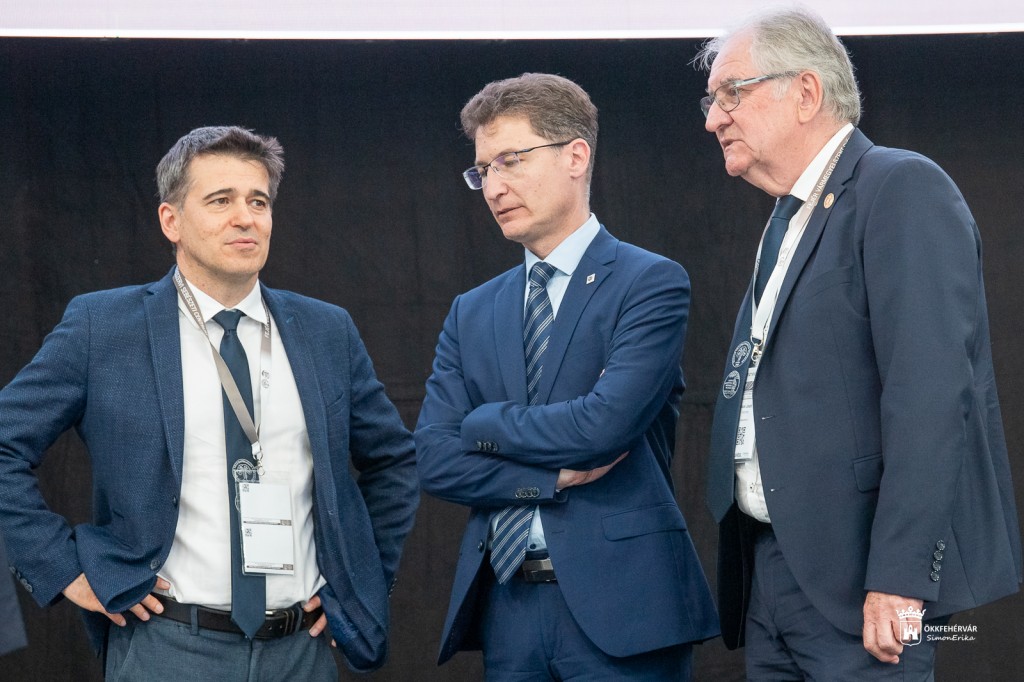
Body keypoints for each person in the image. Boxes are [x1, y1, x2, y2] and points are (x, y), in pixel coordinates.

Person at [0, 126, 419, 678]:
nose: (245, 217)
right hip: (166, 646)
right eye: (221, 200)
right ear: (170, 221)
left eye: (258, 201)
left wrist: (359, 582)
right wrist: (61, 569)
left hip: (301, 651)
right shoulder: (103, 327)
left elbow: (394, 461)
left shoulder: (325, 330)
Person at [698, 7, 1021, 680]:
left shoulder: (900, 186)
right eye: (711, 100)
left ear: (806, 92)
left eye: (731, 93)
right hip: (772, 574)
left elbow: (931, 398)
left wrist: (900, 577)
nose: (713, 119)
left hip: (867, 586)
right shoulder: (786, 218)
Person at [415, 73, 719, 680]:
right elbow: (435, 460)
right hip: (508, 608)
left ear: (576, 156)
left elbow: (602, 428)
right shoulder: (472, 310)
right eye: (483, 170)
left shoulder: (649, 282)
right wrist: (548, 479)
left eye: (511, 160)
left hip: (625, 609)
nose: (494, 187)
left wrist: (483, 423)